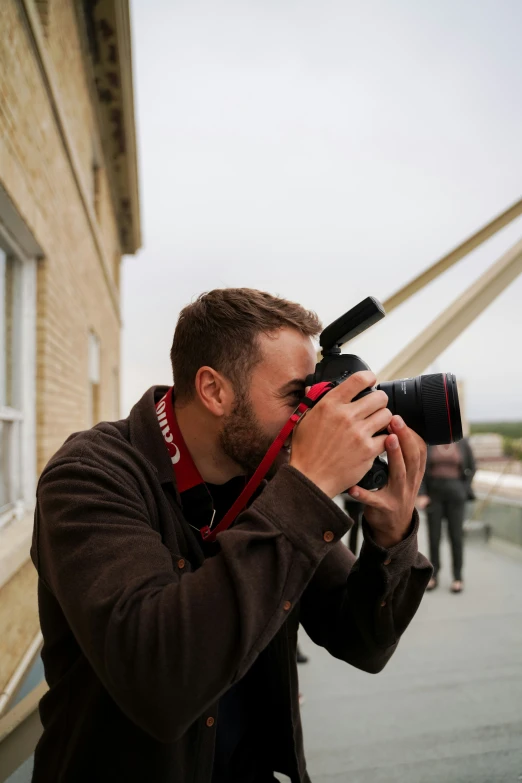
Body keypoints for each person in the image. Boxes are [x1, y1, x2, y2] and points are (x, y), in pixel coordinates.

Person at [31, 288, 432, 783]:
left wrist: (391, 536)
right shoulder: (90, 474)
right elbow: (159, 680)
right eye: (296, 396)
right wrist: (308, 487)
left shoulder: (265, 478)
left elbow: (364, 642)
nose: (312, 417)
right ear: (214, 390)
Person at [417, 438, 476, 593]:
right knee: (434, 537)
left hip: (456, 495)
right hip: (434, 495)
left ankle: (457, 577)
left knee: (456, 537)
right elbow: (420, 469)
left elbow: (472, 467)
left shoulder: (462, 443)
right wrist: (422, 493)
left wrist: (464, 489)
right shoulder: (430, 442)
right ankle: (433, 575)